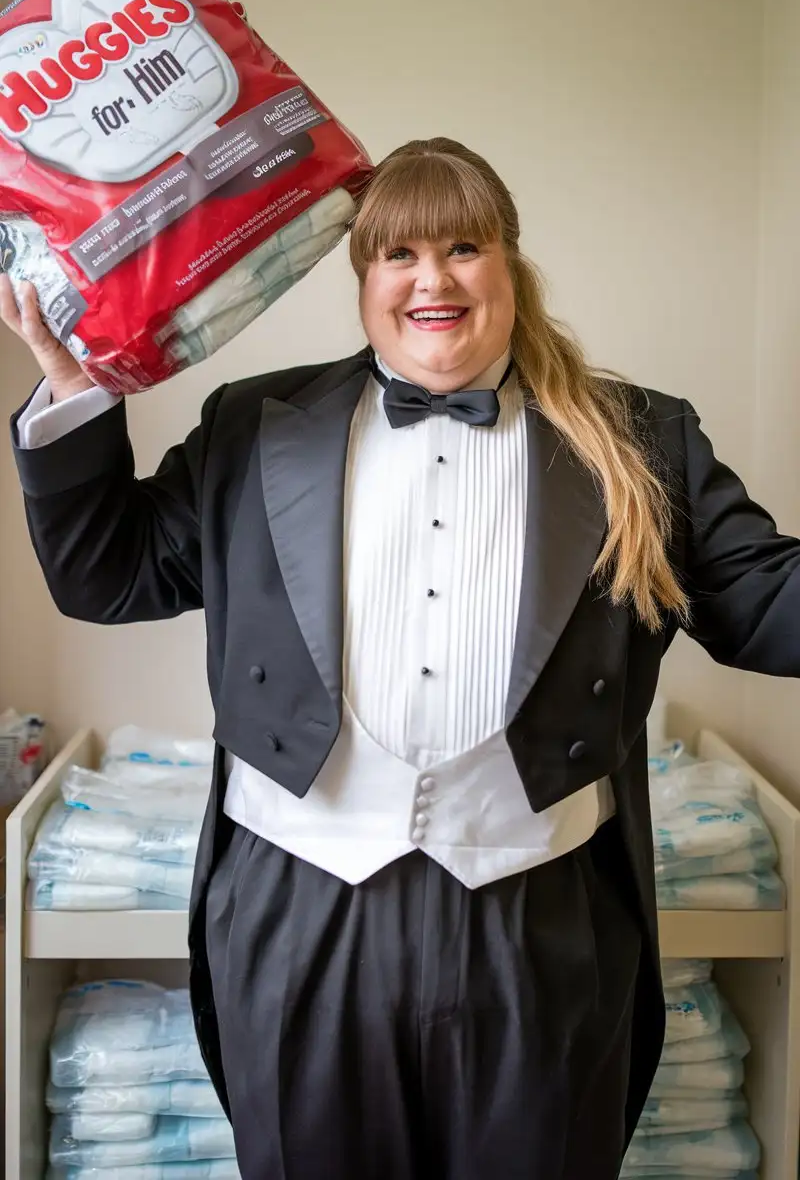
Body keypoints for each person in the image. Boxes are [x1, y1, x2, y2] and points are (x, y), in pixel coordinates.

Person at [5, 137, 800, 1180]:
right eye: (398, 253)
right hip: (298, 906)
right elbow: (109, 576)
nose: (432, 277)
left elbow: (762, 604)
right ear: (363, 277)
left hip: (542, 909)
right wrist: (73, 395)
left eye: (464, 246)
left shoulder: (640, 436)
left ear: (508, 264)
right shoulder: (251, 426)